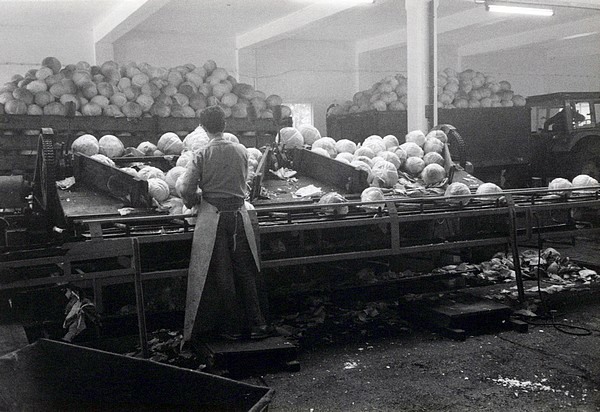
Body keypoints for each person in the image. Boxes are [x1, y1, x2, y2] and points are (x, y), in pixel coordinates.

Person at [178, 106, 270, 342]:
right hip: (240, 216)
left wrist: (193, 200)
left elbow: (185, 188)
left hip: (214, 220)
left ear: (203, 127)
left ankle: (232, 328)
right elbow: (245, 181)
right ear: (224, 124)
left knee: (223, 273)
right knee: (245, 271)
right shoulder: (241, 150)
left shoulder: (201, 154)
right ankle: (257, 324)